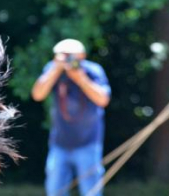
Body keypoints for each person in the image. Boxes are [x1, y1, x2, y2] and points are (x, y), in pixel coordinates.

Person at [31, 39, 111, 196]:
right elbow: (37, 95)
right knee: (55, 191)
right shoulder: (54, 71)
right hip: (59, 144)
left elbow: (103, 100)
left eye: (71, 55)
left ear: (82, 55)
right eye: (63, 55)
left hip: (88, 143)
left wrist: (80, 78)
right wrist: (55, 70)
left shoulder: (93, 70)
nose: (67, 59)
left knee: (91, 192)